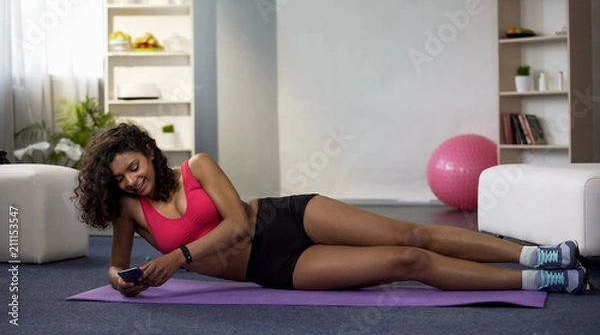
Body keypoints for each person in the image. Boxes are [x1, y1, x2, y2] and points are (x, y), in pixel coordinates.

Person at [73, 123, 587, 297]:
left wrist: (178, 257)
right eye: (120, 179)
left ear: (149, 151)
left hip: (285, 217)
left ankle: (535, 256)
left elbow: (239, 223)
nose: (132, 180)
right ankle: (540, 283)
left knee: (412, 234)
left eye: (134, 167)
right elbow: (117, 265)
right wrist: (123, 279)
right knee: (404, 263)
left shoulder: (198, 166)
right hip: (272, 269)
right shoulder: (130, 213)